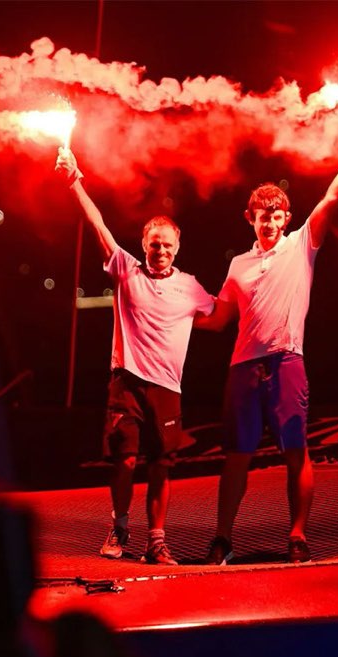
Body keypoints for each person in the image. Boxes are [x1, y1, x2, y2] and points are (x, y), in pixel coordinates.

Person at [197, 126, 338, 564]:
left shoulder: (303, 244)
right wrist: (167, 308)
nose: (268, 219)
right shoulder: (237, 265)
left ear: (285, 217)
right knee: (236, 457)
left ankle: (297, 536)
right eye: (260, 213)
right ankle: (222, 539)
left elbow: (333, 197)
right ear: (250, 218)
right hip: (243, 368)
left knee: (296, 451)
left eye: (275, 212)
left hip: (286, 363)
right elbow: (219, 318)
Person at [56, 147, 216, 565]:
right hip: (125, 382)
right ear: (143, 245)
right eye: (153, 243)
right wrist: (74, 180)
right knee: (124, 461)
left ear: (177, 248)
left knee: (162, 464)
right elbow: (96, 222)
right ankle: (120, 525)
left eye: (166, 244)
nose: (159, 249)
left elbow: (220, 317)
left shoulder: (192, 287)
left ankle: (156, 542)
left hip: (167, 389)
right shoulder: (125, 269)